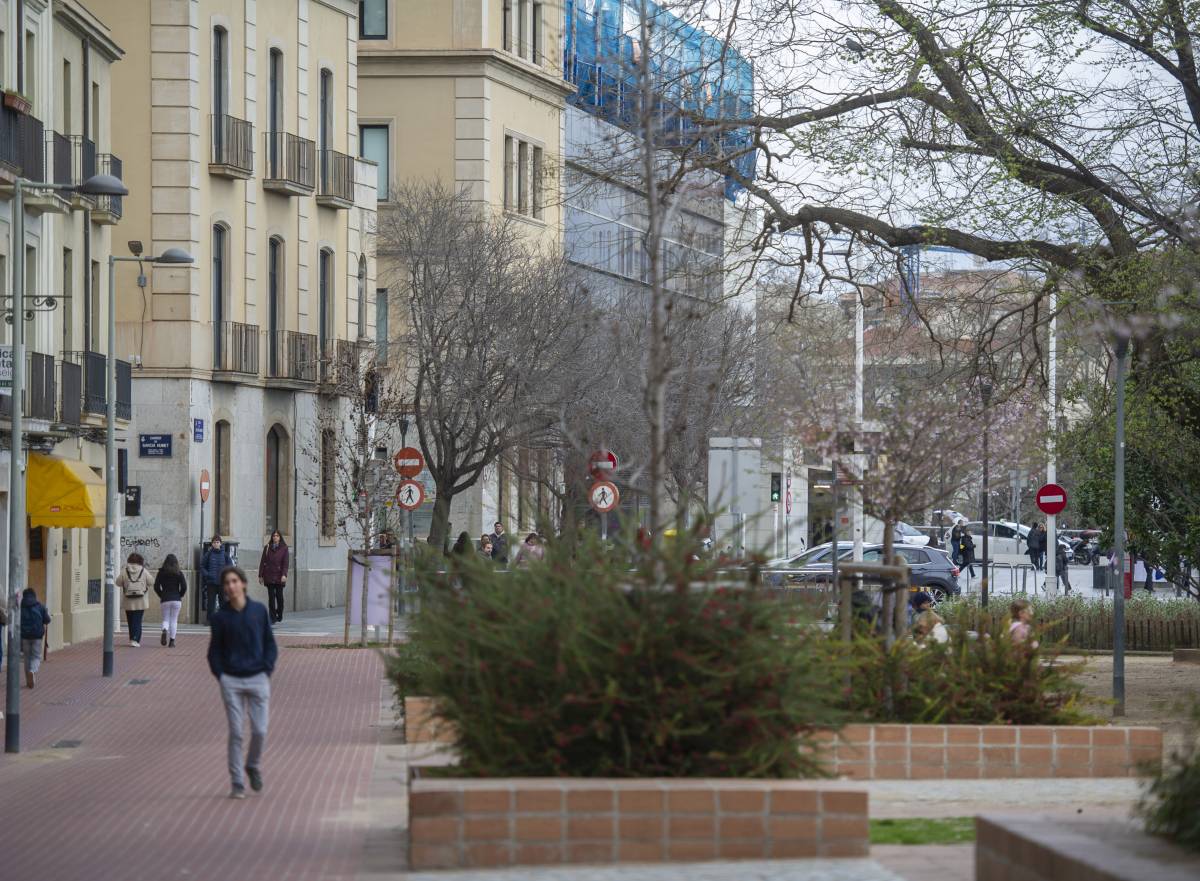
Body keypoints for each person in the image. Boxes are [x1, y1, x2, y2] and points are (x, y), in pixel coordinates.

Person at [208, 565, 277, 800]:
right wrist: (221, 675)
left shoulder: (259, 611)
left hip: (258, 678)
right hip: (232, 681)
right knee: (236, 732)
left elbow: (269, 643)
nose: (231, 586)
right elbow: (214, 651)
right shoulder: (220, 618)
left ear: (244, 584)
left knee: (260, 730)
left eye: (235, 581)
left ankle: (252, 765)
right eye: (227, 583)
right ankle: (237, 782)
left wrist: (267, 668)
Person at [116, 552, 153, 647]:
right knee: (137, 620)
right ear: (140, 561)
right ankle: (135, 639)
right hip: (141, 600)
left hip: (128, 600)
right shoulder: (143, 570)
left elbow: (118, 582)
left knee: (130, 620)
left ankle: (132, 638)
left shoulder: (125, 571)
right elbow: (151, 582)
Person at [153, 553, 188, 647]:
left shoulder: (161, 572)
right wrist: (180, 595)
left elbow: (156, 586)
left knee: (166, 619)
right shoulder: (179, 573)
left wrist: (161, 595)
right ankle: (172, 641)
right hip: (176, 599)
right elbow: (184, 586)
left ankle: (165, 629)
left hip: (165, 598)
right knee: (174, 620)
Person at [19, 588, 50, 688]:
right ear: (34, 595)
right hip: (37, 636)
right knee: (36, 656)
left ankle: (28, 681)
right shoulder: (39, 606)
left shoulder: (21, 606)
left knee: (27, 657)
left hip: (24, 636)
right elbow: (47, 620)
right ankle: (32, 671)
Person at [258, 530, 289, 625]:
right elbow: (263, 561)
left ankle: (279, 612)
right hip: (269, 575)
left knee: (279, 597)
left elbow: (285, 563)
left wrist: (284, 574)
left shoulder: (284, 548)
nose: (275, 537)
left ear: (280, 537)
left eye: (277, 536)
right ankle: (272, 617)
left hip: (279, 576)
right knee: (271, 598)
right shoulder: (267, 547)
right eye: (274, 536)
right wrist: (260, 575)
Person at [201, 535, 233, 620]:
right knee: (211, 603)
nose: (216, 544)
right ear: (212, 544)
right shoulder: (208, 554)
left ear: (220, 543)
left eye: (217, 542)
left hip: (222, 583)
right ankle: (210, 620)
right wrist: (207, 574)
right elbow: (202, 566)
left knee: (223, 602)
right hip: (211, 583)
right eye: (214, 542)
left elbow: (230, 566)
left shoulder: (225, 555)